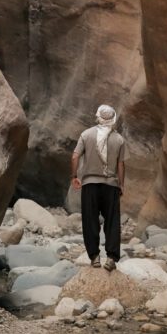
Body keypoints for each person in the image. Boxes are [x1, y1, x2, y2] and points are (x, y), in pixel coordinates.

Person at [70, 104, 127, 270]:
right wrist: (121, 184)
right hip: (110, 185)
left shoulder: (86, 135)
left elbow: (75, 156)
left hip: (90, 185)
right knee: (112, 222)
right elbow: (121, 164)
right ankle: (111, 259)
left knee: (90, 221)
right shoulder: (119, 139)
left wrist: (74, 176)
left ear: (98, 117)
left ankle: (94, 257)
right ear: (113, 119)